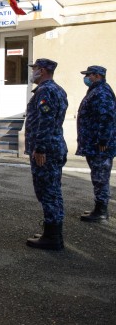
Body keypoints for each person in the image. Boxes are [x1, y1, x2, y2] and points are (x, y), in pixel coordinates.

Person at [24, 58, 68, 250]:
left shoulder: (45, 91)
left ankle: (52, 237)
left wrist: (40, 148)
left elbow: (46, 120)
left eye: (34, 68)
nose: (32, 72)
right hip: (54, 147)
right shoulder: (57, 89)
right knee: (52, 191)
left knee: (48, 192)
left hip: (46, 150)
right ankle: (51, 232)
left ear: (42, 71)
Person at [76, 65, 115, 223]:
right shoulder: (96, 90)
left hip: (100, 145)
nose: (86, 78)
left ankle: (101, 212)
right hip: (94, 143)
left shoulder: (102, 92)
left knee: (100, 178)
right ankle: (99, 208)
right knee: (98, 177)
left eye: (89, 75)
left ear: (97, 76)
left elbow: (107, 117)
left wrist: (103, 140)